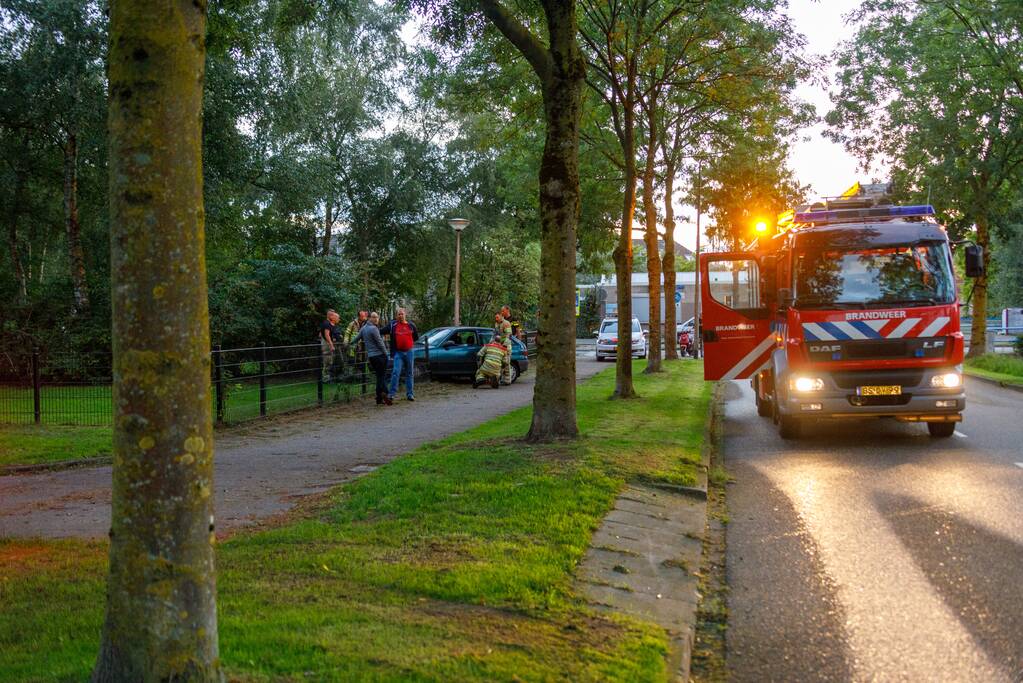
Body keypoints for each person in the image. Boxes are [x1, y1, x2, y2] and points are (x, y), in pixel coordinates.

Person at [356, 312, 390, 405]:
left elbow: (357, 338)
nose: (376, 319)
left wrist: (349, 344)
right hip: (380, 356)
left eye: (377, 317)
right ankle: (381, 395)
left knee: (380, 376)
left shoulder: (363, 328)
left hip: (371, 357)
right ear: (369, 318)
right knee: (381, 377)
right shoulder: (374, 328)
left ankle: (383, 396)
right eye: (374, 317)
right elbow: (380, 343)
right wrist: (386, 354)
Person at [385, 307, 419, 401]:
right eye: (399, 314)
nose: (400, 316)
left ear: (405, 315)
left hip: (409, 352)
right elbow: (382, 331)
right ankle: (391, 394)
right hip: (398, 353)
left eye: (402, 314)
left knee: (409, 373)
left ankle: (410, 394)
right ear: (396, 316)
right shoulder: (393, 325)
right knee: (396, 372)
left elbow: (415, 337)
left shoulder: (411, 325)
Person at [319, 309, 340, 383]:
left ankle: (328, 377)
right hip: (327, 345)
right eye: (333, 315)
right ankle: (325, 379)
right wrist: (331, 345)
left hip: (328, 343)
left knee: (330, 360)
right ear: (330, 315)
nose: (334, 316)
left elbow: (320, 334)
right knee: (327, 361)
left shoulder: (327, 323)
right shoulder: (327, 324)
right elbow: (326, 335)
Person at [495, 307, 514, 385]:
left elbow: (508, 335)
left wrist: (504, 346)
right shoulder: (496, 324)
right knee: (499, 363)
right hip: (499, 345)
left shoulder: (506, 323)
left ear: (500, 316)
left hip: (506, 346)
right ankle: (498, 379)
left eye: (497, 317)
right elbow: (495, 334)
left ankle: (508, 380)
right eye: (495, 317)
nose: (496, 319)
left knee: (506, 363)